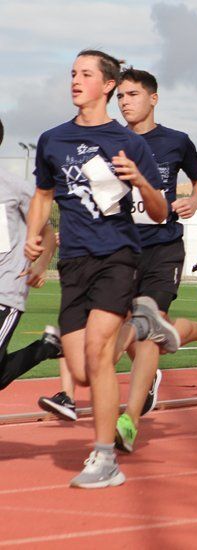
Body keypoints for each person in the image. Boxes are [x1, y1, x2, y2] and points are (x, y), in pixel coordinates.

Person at [25, 49, 169, 488]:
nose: (75, 81)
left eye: (85, 74)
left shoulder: (130, 143)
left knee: (100, 354)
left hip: (117, 257)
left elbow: (161, 212)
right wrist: (35, 235)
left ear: (107, 85)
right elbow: (44, 195)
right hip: (74, 263)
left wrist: (140, 180)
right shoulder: (53, 139)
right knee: (85, 372)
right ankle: (142, 327)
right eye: (72, 73)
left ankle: (105, 458)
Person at [108, 68, 197, 453]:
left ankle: (129, 418)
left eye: (132, 94)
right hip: (122, 249)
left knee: (145, 324)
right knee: (132, 326)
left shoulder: (176, 141)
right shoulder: (109, 141)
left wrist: (194, 201)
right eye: (120, 97)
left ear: (153, 98)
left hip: (163, 246)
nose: (125, 102)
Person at [0, 118, 62, 392]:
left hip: (5, 291)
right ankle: (45, 348)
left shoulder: (14, 187)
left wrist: (41, 263)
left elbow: (47, 231)